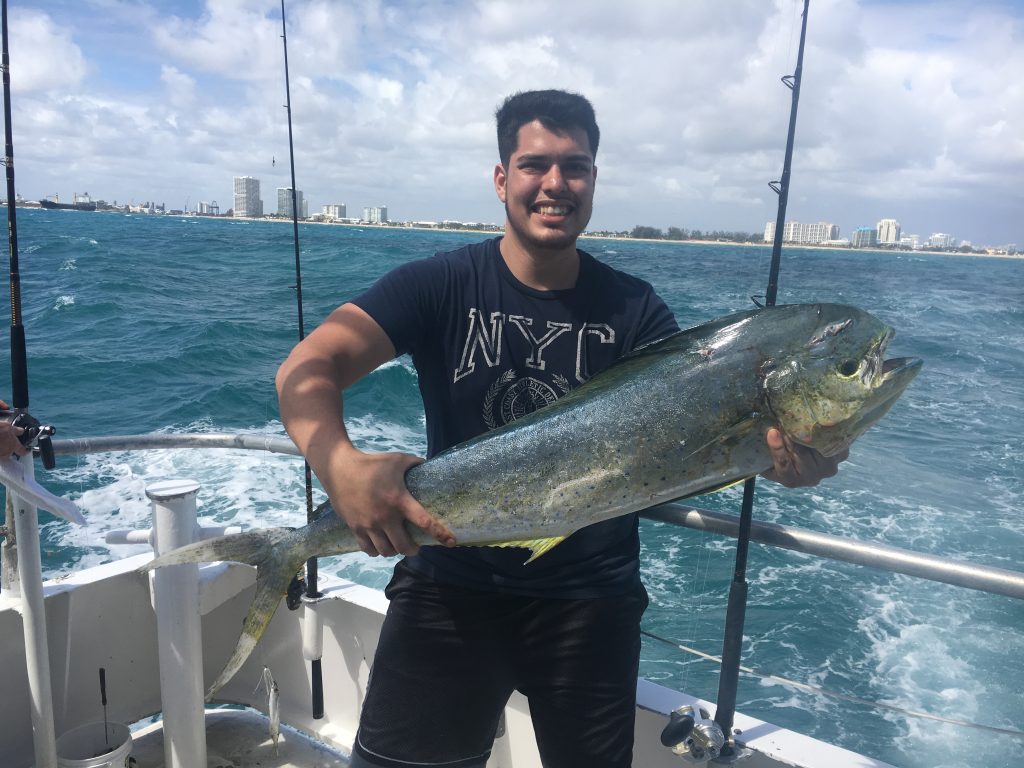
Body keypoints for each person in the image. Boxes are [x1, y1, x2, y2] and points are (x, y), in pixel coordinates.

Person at [276, 89, 845, 768]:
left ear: (594, 182)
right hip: (449, 585)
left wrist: (785, 458)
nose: (555, 184)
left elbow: (701, 438)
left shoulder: (637, 312)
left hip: (590, 606)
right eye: (534, 164)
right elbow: (308, 366)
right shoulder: (438, 284)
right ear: (500, 179)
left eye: (574, 166)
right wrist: (339, 465)